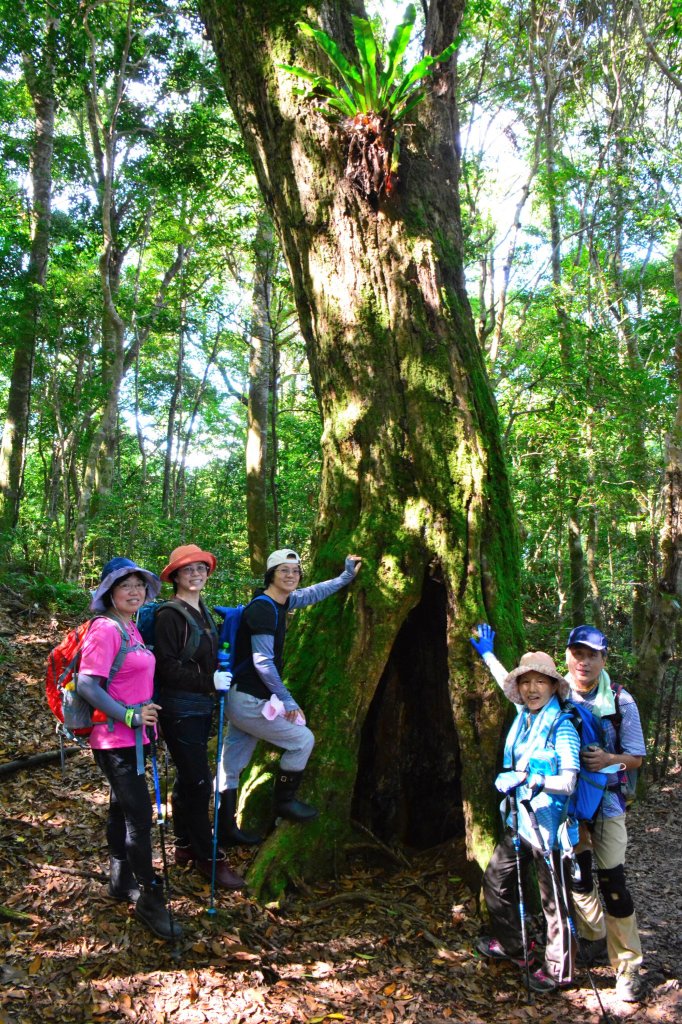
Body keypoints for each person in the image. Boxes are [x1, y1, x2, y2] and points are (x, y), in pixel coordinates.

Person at [216, 548, 361, 842]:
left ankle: (225, 829)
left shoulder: (280, 602)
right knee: (302, 740)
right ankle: (283, 802)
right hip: (249, 700)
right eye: (284, 571)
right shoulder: (263, 609)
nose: (291, 576)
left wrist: (345, 577)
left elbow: (313, 594)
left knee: (230, 765)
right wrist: (287, 700)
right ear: (271, 574)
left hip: (241, 698)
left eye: (295, 571)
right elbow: (263, 661)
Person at [76, 557, 181, 942]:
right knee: (140, 817)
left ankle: (120, 880)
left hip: (135, 739)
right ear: (109, 593)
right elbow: (87, 684)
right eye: (125, 586)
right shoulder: (105, 629)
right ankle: (151, 900)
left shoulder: (130, 626)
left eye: (139, 584)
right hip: (115, 740)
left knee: (122, 807)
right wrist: (131, 716)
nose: (134, 591)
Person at [470, 625, 580, 993]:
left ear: (553, 687)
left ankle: (558, 970)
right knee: (495, 880)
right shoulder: (525, 714)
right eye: (526, 682)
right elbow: (504, 679)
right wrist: (487, 652)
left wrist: (532, 781)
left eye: (540, 682)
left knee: (554, 906)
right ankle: (515, 946)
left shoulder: (562, 727)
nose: (532, 689)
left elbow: (568, 782)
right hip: (521, 824)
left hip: (551, 831)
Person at [154, 544, 244, 890]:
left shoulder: (202, 609)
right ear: (175, 576)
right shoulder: (169, 615)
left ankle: (185, 846)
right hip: (180, 709)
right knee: (201, 782)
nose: (196, 574)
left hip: (201, 707)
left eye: (201, 569)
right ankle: (211, 859)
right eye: (188, 570)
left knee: (189, 780)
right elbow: (166, 667)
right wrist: (209, 681)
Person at [564, 625, 646, 1003]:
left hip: (609, 800)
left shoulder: (621, 701)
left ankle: (628, 966)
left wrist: (609, 760)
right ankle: (593, 937)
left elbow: (637, 758)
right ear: (567, 655)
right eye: (578, 653)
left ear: (603, 659)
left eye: (592, 655)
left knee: (613, 881)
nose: (584, 661)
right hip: (566, 804)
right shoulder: (556, 693)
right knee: (578, 876)